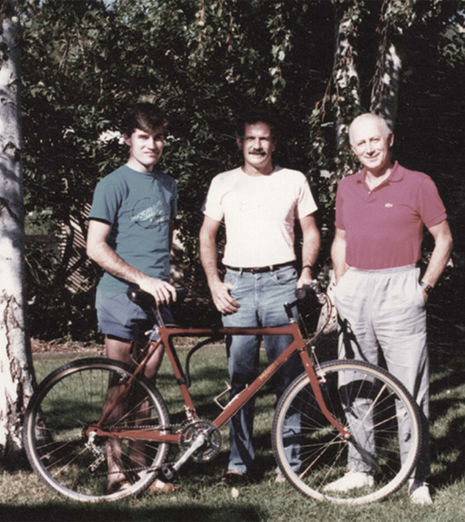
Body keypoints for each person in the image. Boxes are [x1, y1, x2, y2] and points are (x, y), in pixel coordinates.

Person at [327, 113, 453, 505]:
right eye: (360, 143)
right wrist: (340, 282)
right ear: (352, 148)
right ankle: (360, 469)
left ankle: (417, 477)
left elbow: (444, 239)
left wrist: (424, 288)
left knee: (409, 387)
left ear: (390, 139)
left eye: (375, 140)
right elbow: (341, 239)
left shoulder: (418, 183)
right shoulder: (346, 187)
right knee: (354, 381)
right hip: (355, 286)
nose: (369, 148)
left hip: (402, 288)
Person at [199, 113, 321, 484]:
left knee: (289, 376)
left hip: (282, 282)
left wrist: (306, 272)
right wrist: (214, 283)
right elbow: (206, 234)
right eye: (250, 138)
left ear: (274, 143)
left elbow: (311, 231)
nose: (257, 145)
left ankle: (291, 464)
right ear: (240, 143)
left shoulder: (293, 179)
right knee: (240, 378)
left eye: (264, 139)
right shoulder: (223, 182)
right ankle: (239, 462)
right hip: (236, 287)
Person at [86, 101, 178, 493]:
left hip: (159, 298)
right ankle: (114, 472)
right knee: (121, 383)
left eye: (158, 137)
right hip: (121, 295)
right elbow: (95, 247)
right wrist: (141, 279)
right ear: (128, 139)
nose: (152, 145)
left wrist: (168, 279)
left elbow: (163, 242)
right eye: (143, 137)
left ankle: (144, 470)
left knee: (148, 383)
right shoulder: (112, 183)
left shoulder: (168, 185)